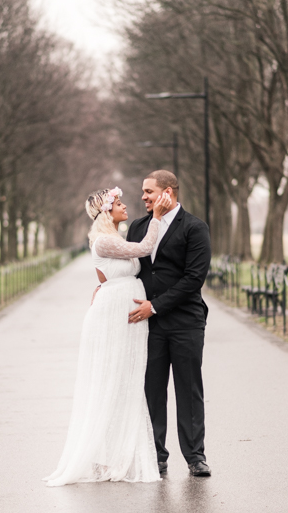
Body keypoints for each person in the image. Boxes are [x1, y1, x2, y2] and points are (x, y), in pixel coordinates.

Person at [43, 186, 173, 487]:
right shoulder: (102, 241)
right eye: (119, 203)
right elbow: (143, 249)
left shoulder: (114, 239)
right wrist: (156, 216)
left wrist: (106, 286)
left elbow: (115, 273)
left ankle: (117, 452)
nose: (125, 205)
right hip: (114, 316)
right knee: (111, 379)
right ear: (107, 211)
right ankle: (104, 456)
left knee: (129, 379)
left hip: (126, 312)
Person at [126, 170, 212, 477]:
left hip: (186, 322)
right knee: (152, 390)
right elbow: (131, 270)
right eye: (143, 191)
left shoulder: (195, 228)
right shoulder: (137, 227)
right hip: (148, 326)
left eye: (149, 191)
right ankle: (156, 455)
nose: (143, 197)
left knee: (189, 389)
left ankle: (195, 457)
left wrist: (157, 306)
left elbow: (194, 279)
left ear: (168, 193)